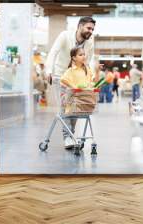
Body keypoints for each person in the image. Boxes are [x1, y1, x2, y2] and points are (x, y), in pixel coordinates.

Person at [45, 16, 96, 149]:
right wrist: (48, 70)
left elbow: (88, 62)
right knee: (65, 107)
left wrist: (89, 78)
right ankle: (67, 137)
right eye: (88, 28)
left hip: (77, 79)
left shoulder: (89, 43)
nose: (91, 31)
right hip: (61, 77)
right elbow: (53, 52)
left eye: (92, 29)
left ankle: (71, 136)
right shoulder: (65, 36)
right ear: (80, 26)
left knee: (76, 108)